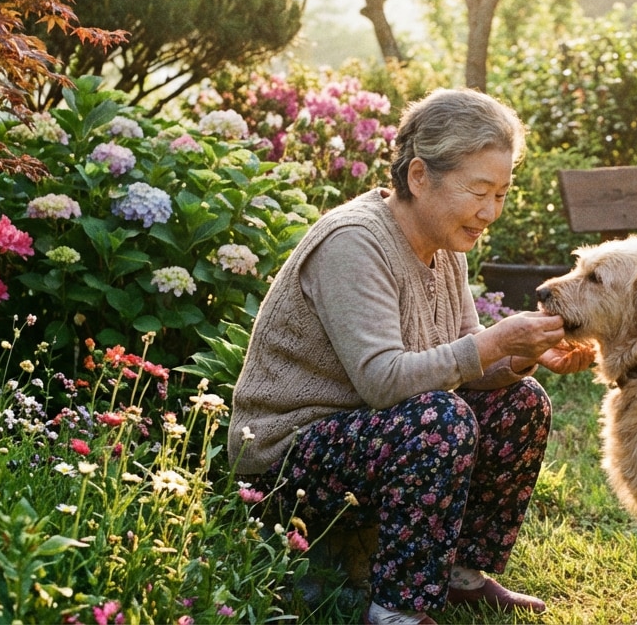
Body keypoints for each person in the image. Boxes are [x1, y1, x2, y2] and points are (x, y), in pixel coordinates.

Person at [229, 88, 595, 625]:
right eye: (479, 191)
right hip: (285, 458)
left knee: (523, 401)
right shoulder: (354, 242)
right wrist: (497, 340)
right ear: (420, 176)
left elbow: (469, 364)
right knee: (439, 421)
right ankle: (396, 608)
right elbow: (383, 381)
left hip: (373, 433)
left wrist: (522, 355)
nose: (490, 212)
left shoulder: (446, 245)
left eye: (502, 194)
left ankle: (460, 574)